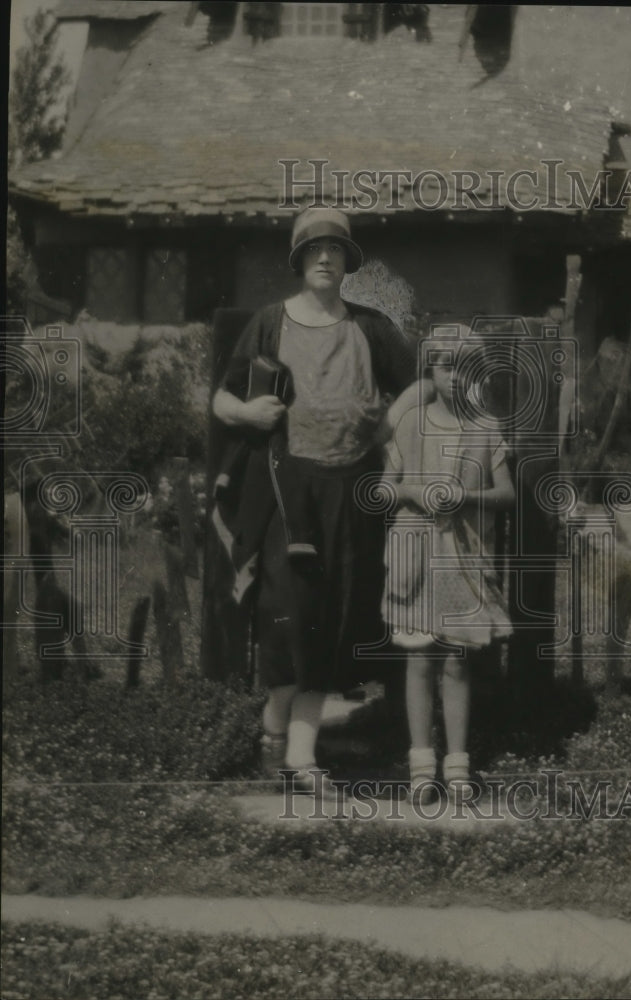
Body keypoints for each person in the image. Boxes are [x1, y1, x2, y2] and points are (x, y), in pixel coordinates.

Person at [211, 206, 416, 794]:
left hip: (348, 489)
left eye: (336, 250)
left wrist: (383, 429)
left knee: (331, 615)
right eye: (315, 250)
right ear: (299, 260)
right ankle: (275, 733)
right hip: (285, 486)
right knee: (287, 611)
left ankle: (296, 756)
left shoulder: (371, 327)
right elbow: (222, 400)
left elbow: (419, 385)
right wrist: (247, 412)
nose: (325, 258)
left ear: (348, 263)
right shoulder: (269, 323)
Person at [381, 333, 514, 803]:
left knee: (456, 661)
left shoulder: (486, 427)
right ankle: (421, 767)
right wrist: (414, 492)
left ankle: (457, 767)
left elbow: (507, 494)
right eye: (445, 366)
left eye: (465, 368)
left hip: (463, 558)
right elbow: (382, 489)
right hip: (416, 556)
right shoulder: (411, 424)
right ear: (430, 372)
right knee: (419, 659)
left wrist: (467, 497)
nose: (455, 377)